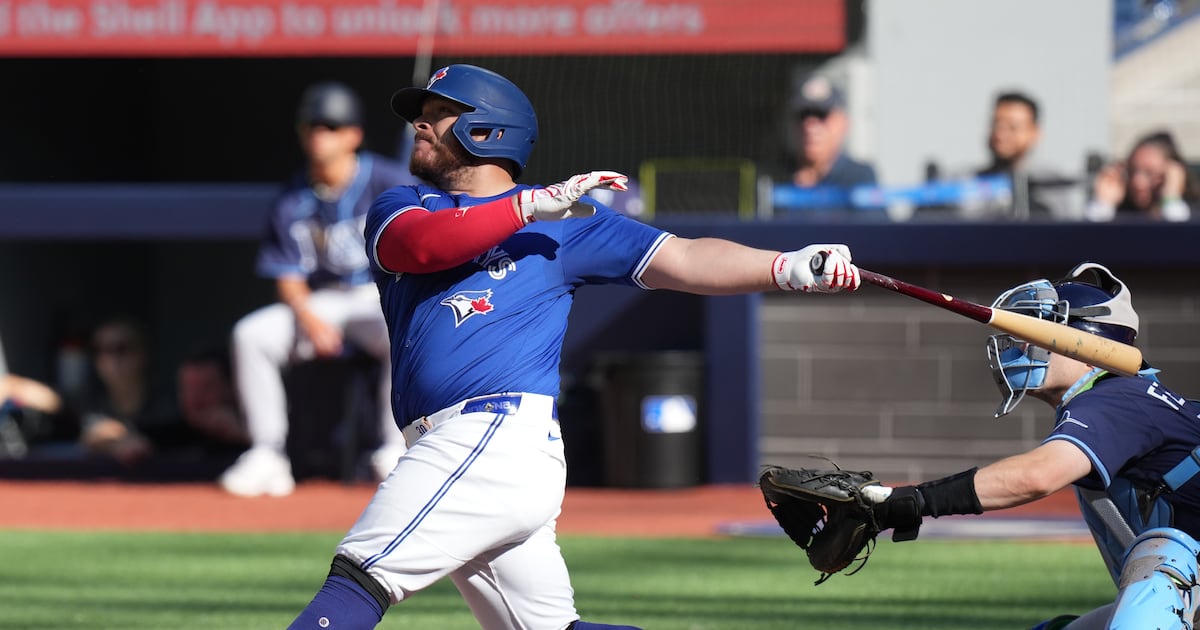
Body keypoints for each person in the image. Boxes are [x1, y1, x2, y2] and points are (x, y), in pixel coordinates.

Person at [284, 63, 861, 630]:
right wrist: (528, 207)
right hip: (463, 446)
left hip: (491, 434)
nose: (421, 124)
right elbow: (423, 248)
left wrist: (787, 266)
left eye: (439, 113)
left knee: (359, 575)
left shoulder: (564, 223)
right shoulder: (404, 204)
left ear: (489, 129)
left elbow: (684, 256)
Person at [865, 262, 1200, 629]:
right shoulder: (1123, 397)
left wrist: (913, 501)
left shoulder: (1116, 397)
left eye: (1037, 329)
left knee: (1164, 556)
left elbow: (1036, 476)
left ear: (1086, 338)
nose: (1021, 344)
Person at [219, 80, 421, 497]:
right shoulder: (292, 197)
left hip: (380, 296)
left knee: (404, 328)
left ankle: (394, 448)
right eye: (312, 127)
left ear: (353, 135)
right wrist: (308, 317)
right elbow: (288, 275)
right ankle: (267, 453)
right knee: (251, 334)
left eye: (330, 127)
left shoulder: (389, 181)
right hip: (322, 302)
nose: (319, 135)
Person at [969, 91, 1082, 220]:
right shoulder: (970, 182)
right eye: (996, 124)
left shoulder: (1053, 185)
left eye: (1013, 127)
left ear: (1035, 132)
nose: (1000, 134)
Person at [785, 74, 877, 191]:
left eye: (821, 115)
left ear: (843, 123)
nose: (810, 126)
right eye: (804, 115)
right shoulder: (777, 177)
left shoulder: (859, 178)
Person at [1085, 130, 1199, 222]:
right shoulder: (1118, 215)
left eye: (1149, 173)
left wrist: (1171, 199)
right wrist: (1103, 203)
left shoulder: (1191, 212)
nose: (1137, 182)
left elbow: (1181, 237)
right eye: (1132, 171)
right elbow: (1090, 238)